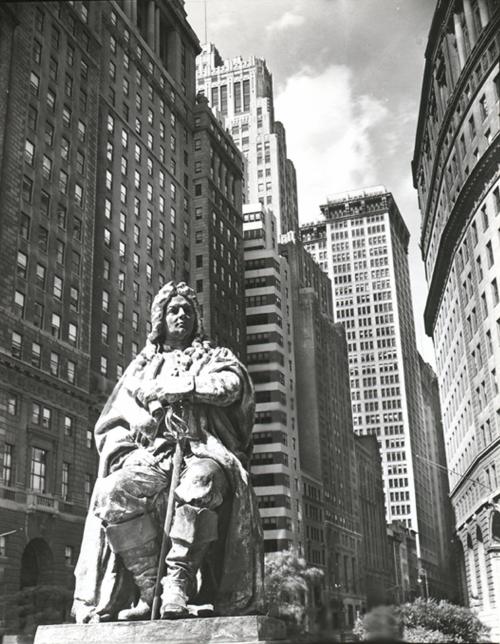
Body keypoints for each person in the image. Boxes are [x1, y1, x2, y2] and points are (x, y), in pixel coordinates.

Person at [72, 282, 263, 622]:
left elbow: (233, 387)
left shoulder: (214, 357)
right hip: (152, 455)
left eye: (188, 311)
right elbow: (112, 422)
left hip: (201, 449)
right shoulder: (140, 367)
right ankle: (150, 590)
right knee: (110, 492)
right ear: (160, 317)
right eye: (174, 309)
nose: (181, 315)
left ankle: (178, 582)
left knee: (202, 481)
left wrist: (185, 386)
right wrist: (141, 425)